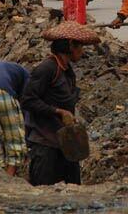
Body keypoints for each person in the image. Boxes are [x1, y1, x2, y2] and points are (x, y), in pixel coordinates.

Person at [21, 21, 100, 186]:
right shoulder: (46, 69)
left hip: (65, 143)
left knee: (73, 191)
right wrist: (58, 112)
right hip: (45, 144)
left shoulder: (68, 71)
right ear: (71, 45)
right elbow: (28, 100)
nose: (82, 51)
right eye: (81, 47)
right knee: (44, 195)